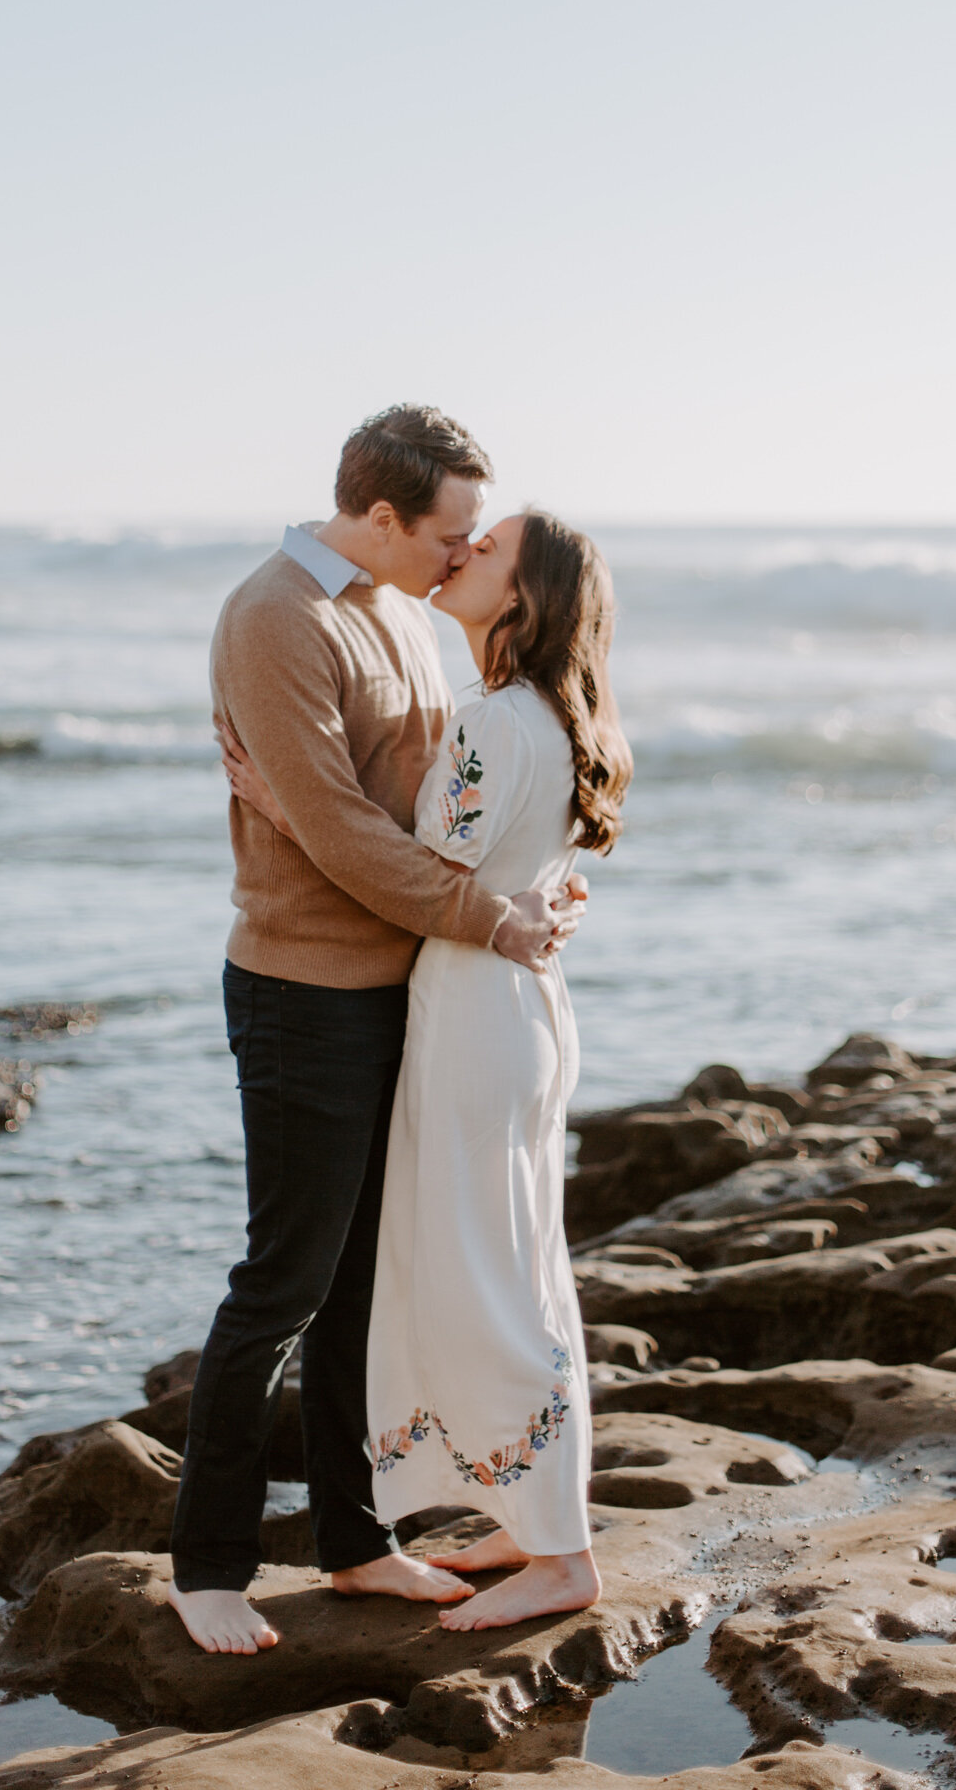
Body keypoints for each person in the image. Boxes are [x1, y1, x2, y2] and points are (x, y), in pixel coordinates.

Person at [168, 405, 586, 1656]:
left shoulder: (402, 607)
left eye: (474, 539)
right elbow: (351, 832)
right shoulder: (273, 618)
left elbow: (417, 806)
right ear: (383, 514)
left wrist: (538, 870)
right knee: (282, 1282)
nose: (460, 557)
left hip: (407, 982)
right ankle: (207, 1565)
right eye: (448, 533)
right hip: (303, 989)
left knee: (360, 1286)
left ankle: (353, 1542)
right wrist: (487, 916)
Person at [365, 509, 632, 1629]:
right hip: (524, 1009)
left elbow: (424, 869)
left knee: (484, 1277)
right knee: (515, 1262)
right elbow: (532, 872)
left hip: (476, 1008)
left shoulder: (490, 726)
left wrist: (288, 799)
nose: (461, 551)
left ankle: (562, 1554)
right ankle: (531, 1517)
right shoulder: (564, 720)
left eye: (487, 550)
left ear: (520, 601)